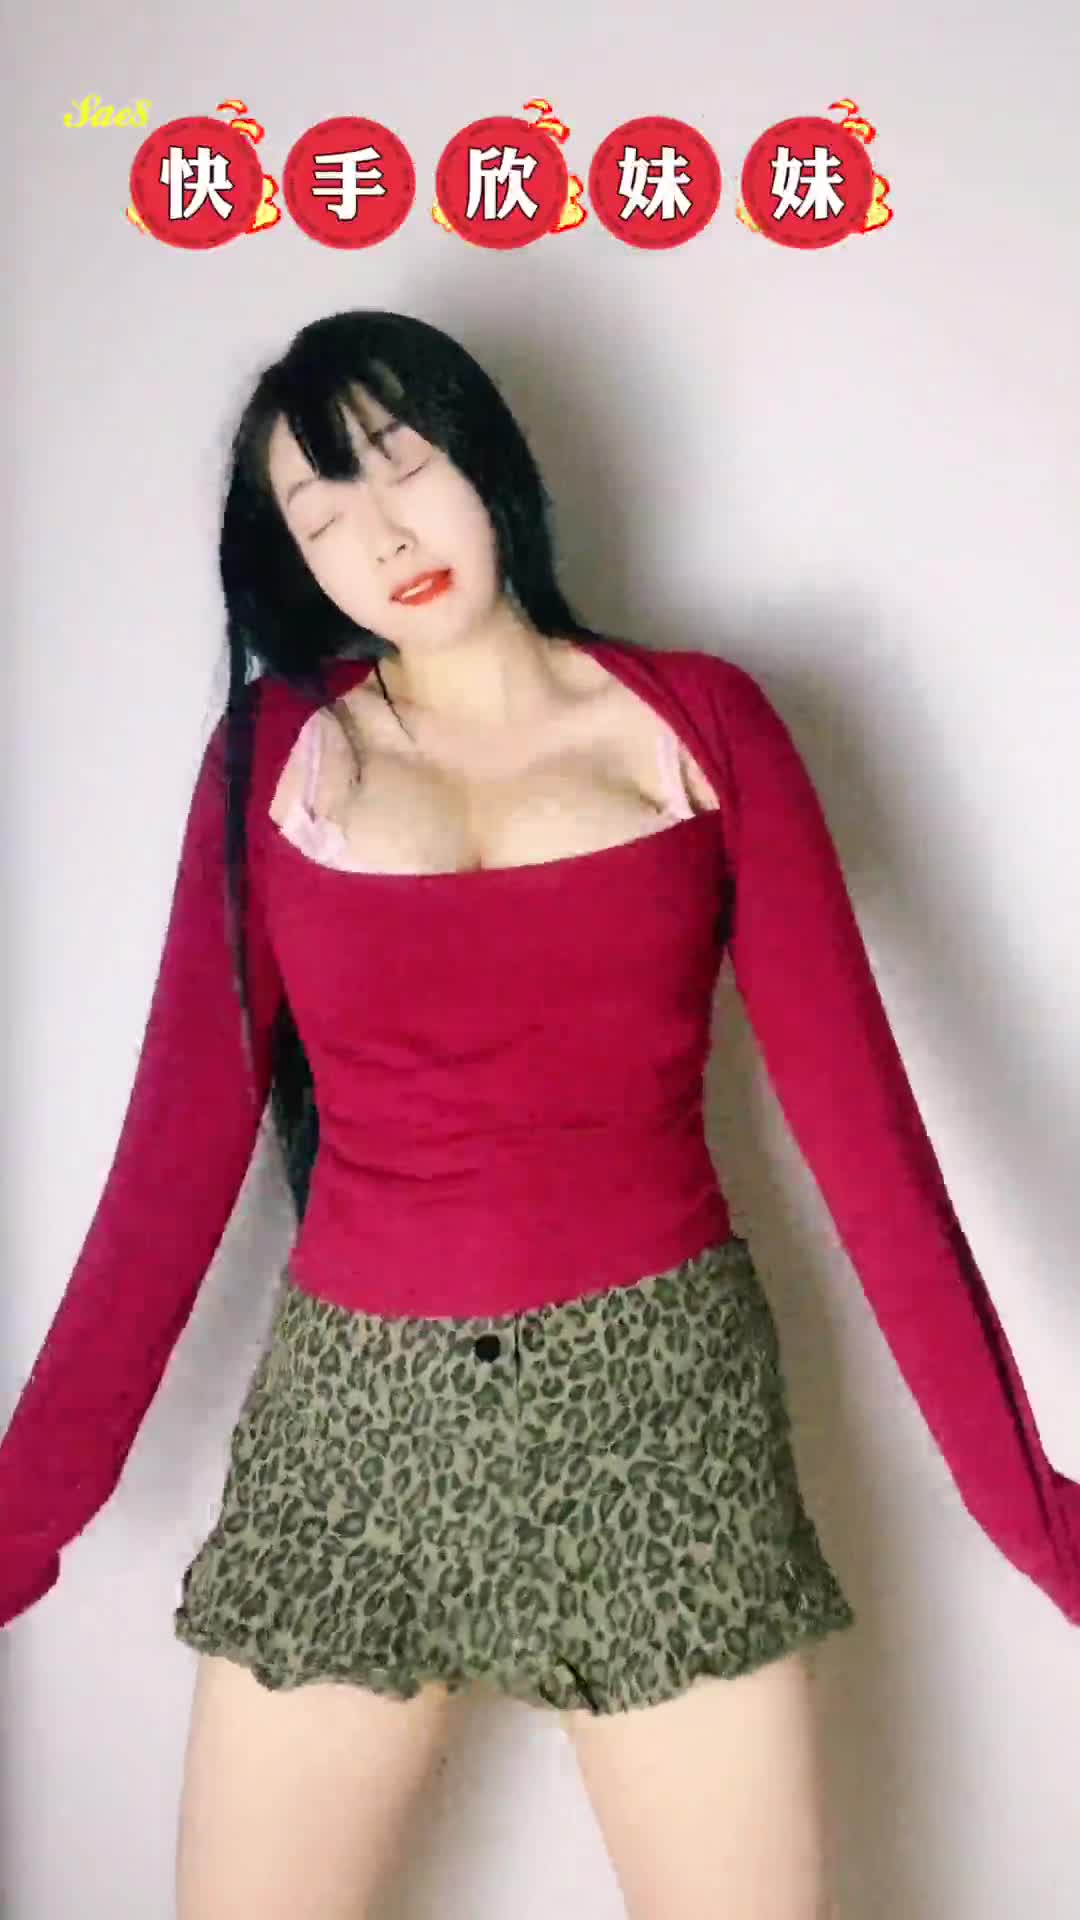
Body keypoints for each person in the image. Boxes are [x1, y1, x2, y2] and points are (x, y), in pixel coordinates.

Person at [1, 307, 1077, 1920]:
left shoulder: (703, 725)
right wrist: (18, 1522)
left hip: (664, 1427)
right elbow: (168, 1176)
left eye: (403, 464)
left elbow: (872, 1151)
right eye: (322, 515)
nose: (384, 538)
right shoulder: (278, 762)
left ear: (483, 451)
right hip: (351, 1444)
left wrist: (1039, 1525)